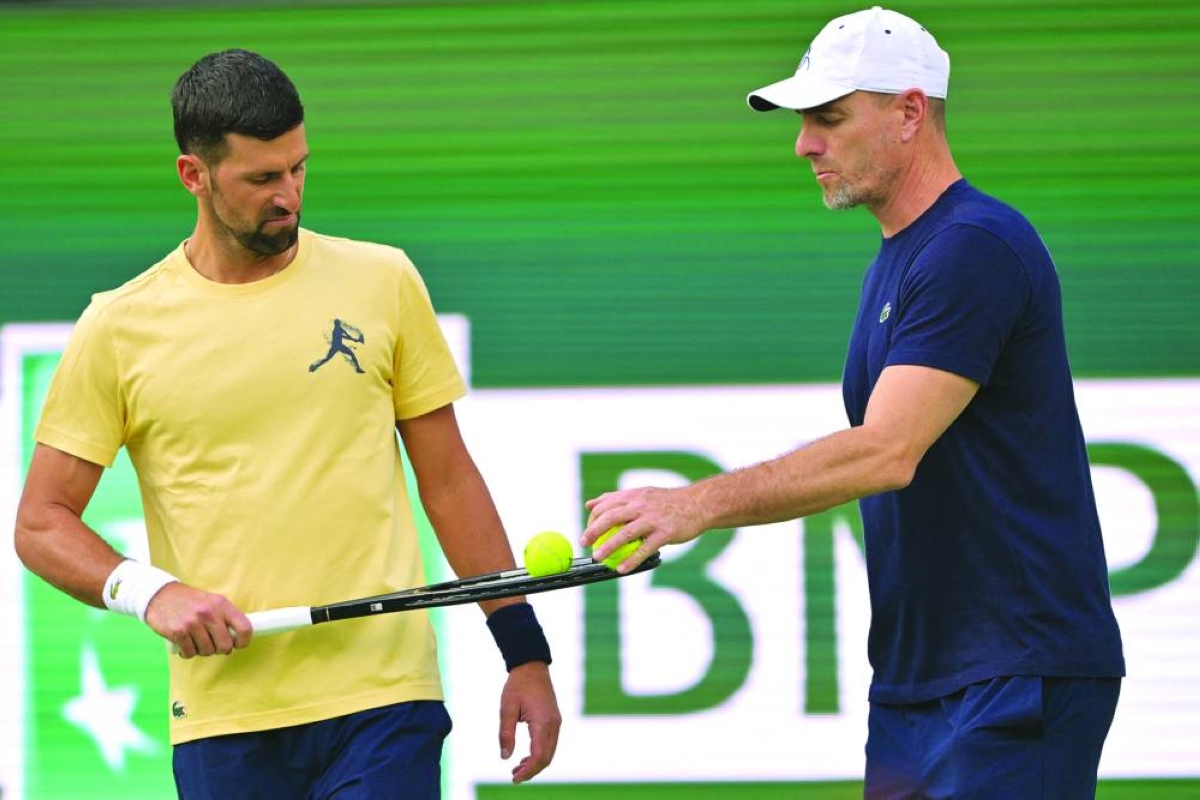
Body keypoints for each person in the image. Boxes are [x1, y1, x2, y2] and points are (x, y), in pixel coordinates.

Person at [582, 7, 1123, 798]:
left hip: (1013, 671)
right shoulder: (904, 256)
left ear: (910, 112)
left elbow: (885, 450)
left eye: (830, 118)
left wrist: (693, 504)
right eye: (805, 122)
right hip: (918, 682)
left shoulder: (974, 245)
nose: (805, 143)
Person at [14, 49, 560, 797]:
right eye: (263, 179)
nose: (290, 196)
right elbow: (41, 523)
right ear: (193, 176)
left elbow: (451, 481)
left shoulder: (384, 280)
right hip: (224, 719)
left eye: (299, 168)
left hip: (384, 700)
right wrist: (152, 593)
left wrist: (522, 650)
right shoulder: (118, 326)